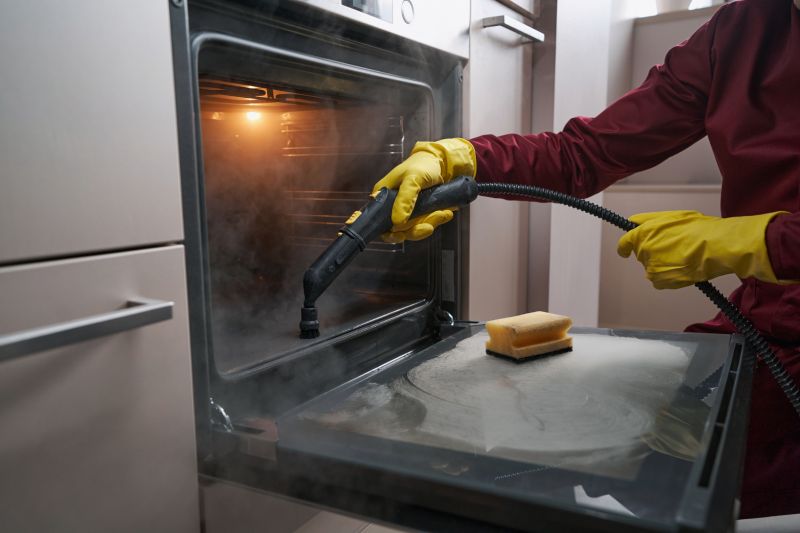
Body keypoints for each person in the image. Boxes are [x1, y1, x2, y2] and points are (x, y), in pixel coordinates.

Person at [369, 0, 800, 519]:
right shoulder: (740, 30)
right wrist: (464, 158)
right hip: (763, 318)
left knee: (691, 481)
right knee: (637, 457)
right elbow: (584, 153)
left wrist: (762, 242)